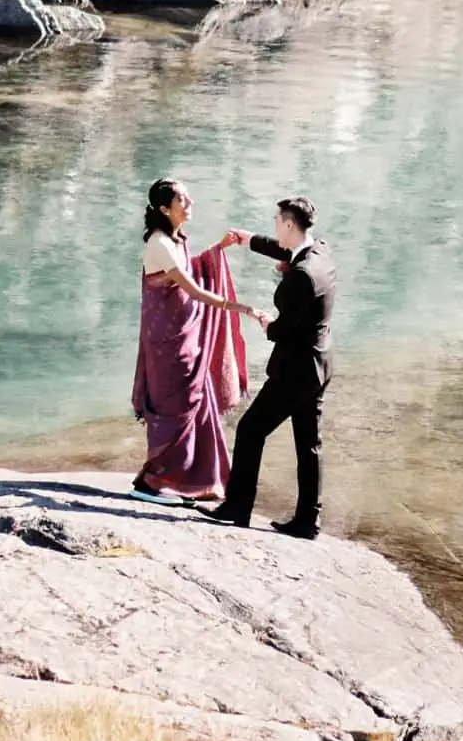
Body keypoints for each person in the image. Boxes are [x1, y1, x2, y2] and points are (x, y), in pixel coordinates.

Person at [203, 195, 334, 539]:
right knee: (309, 444)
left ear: (289, 224)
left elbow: (283, 329)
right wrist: (249, 240)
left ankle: (237, 508)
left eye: (277, 222)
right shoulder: (319, 252)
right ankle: (308, 520)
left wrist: (265, 324)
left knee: (250, 430)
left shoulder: (300, 277)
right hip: (319, 363)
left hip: (294, 370)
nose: (275, 226)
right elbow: (286, 252)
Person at [132, 177, 261, 503]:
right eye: (183, 201)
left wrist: (217, 250)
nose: (190, 205)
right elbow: (194, 291)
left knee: (196, 404)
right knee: (175, 409)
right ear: (165, 209)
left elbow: (190, 271)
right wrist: (243, 308)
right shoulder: (159, 244)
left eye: (189, 199)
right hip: (167, 344)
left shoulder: (176, 239)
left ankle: (189, 481)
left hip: (185, 338)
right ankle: (152, 483)